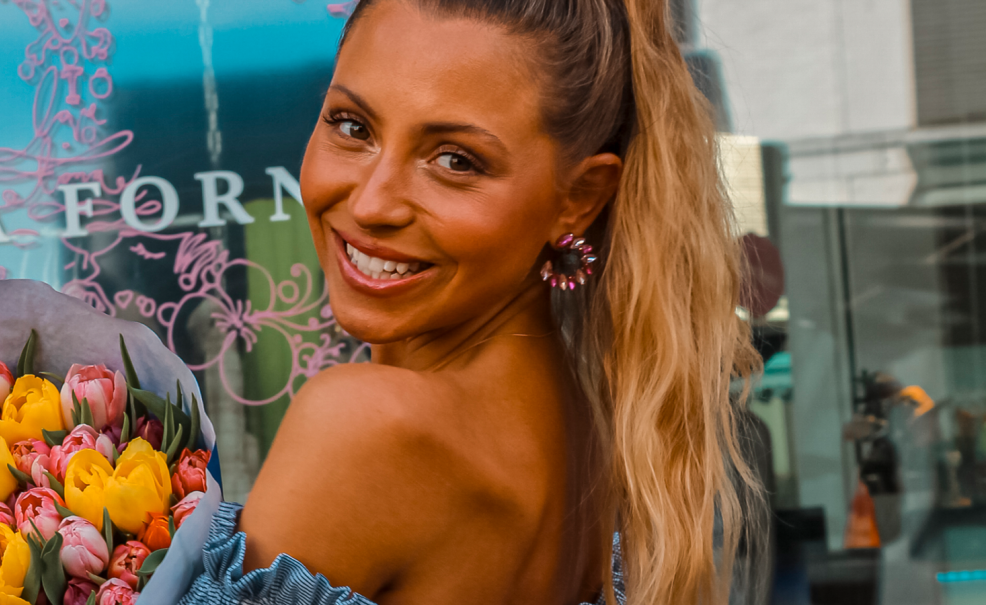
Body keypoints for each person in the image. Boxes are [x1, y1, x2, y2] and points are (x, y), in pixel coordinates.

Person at [177, 0, 765, 604]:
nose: (374, 202)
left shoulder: (367, 427)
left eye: (456, 160)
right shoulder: (600, 434)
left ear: (580, 199)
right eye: (353, 126)